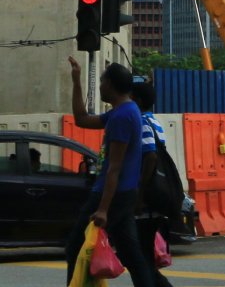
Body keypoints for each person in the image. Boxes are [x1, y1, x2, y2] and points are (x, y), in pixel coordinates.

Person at [64, 56, 154, 287]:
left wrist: (103, 209)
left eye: (102, 81)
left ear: (111, 85)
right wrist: (76, 81)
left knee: (75, 246)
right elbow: (82, 120)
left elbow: (115, 166)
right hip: (124, 193)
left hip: (111, 194)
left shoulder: (123, 116)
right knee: (131, 253)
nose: (100, 85)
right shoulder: (122, 111)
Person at [132, 81, 173, 287]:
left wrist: (139, 196)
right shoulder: (154, 121)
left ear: (137, 100)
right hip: (152, 202)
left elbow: (150, 158)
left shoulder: (142, 122)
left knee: (140, 257)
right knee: (143, 258)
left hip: (146, 205)